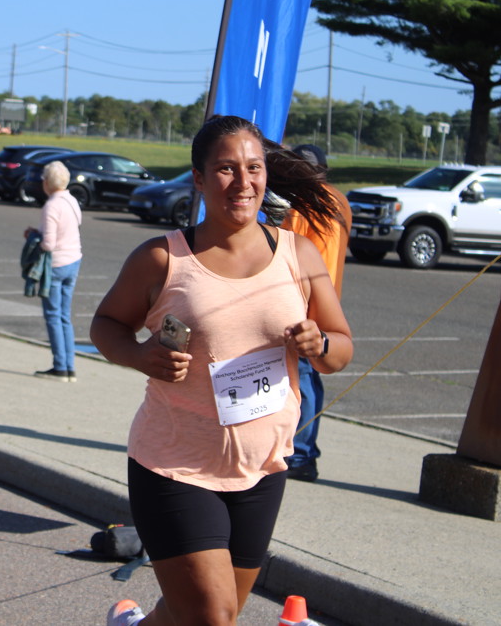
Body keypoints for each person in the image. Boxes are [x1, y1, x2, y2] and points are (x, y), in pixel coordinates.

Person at [91, 116, 353, 626]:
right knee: (213, 615)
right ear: (199, 178)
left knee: (207, 613)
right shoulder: (163, 258)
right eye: (226, 169)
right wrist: (140, 355)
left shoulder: (297, 254)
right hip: (175, 465)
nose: (243, 182)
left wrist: (318, 343)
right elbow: (106, 325)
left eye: (253, 168)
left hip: (261, 467)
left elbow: (340, 348)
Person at [281, 144, 352, 482]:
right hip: (326, 298)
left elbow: (289, 252)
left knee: (304, 375)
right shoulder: (339, 201)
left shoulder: (304, 203)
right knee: (310, 374)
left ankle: (301, 453)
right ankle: (303, 450)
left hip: (304, 300)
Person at [25, 160, 83, 382]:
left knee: (53, 316)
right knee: (64, 316)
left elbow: (48, 244)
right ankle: (69, 366)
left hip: (56, 264)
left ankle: (60, 366)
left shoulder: (51, 205)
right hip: (74, 260)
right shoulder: (71, 200)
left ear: (48, 182)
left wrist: (33, 237)